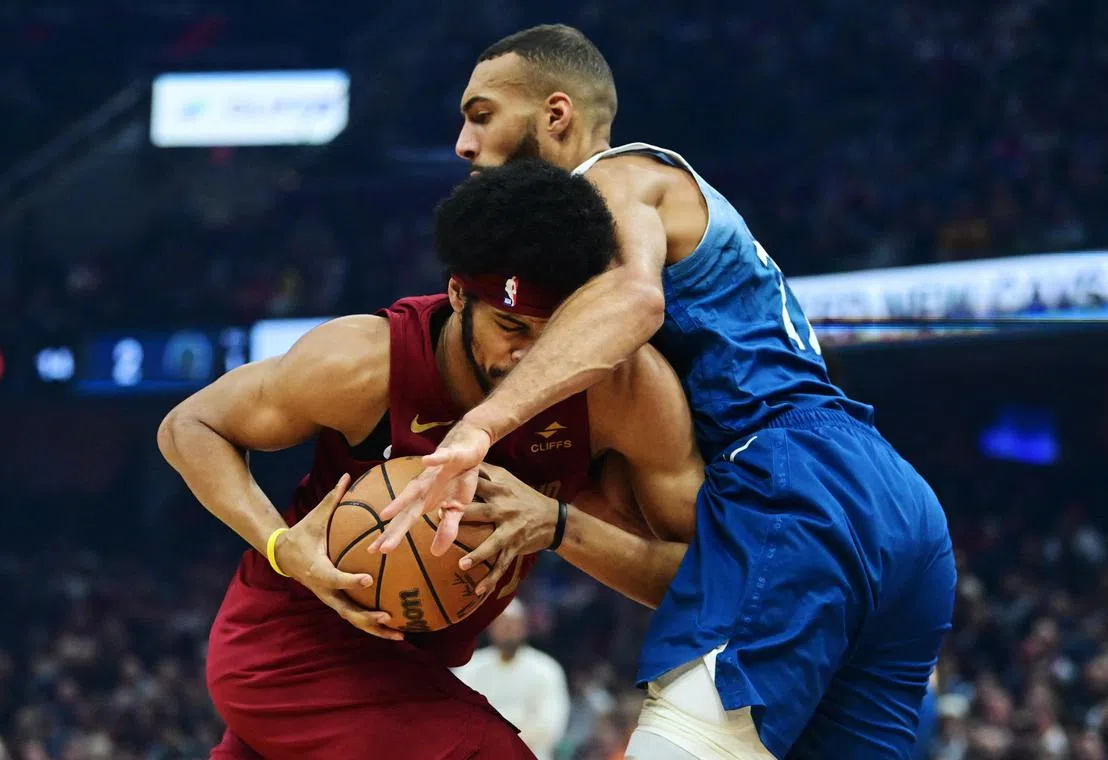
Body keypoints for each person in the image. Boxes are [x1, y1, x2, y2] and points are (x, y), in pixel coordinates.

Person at [375, 24, 957, 760]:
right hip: (885, 503)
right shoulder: (607, 351)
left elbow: (635, 297)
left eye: (481, 113)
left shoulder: (614, 178)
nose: (462, 142)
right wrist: (559, 522)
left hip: (792, 472)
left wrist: (482, 422)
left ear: (555, 115)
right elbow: (684, 571)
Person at [157, 160, 704, 759]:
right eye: (509, 325)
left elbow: (695, 579)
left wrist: (559, 527)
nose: (527, 354)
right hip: (294, 648)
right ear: (456, 293)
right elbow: (190, 425)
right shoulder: (366, 364)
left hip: (409, 671)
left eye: (551, 331)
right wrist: (282, 546)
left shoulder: (620, 392)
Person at [452, 600, 571, 760]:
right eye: (503, 624)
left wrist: (497, 737)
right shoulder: (469, 668)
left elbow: (551, 726)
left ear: (524, 628)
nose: (508, 629)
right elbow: (458, 720)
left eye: (514, 624)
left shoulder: (546, 670)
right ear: (491, 628)